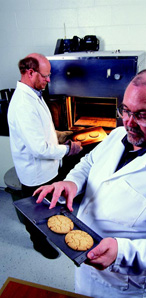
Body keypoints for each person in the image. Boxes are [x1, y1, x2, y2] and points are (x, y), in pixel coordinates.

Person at [34, 69, 146, 298]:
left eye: (143, 115)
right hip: (87, 270)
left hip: (124, 286)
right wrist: (72, 182)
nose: (129, 122)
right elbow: (90, 162)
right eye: (126, 110)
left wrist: (122, 253)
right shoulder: (117, 135)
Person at [8, 53, 83, 259]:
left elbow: (40, 133)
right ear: (30, 72)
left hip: (50, 169)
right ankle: (39, 243)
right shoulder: (23, 105)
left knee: (51, 207)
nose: (49, 80)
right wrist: (69, 149)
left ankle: (53, 232)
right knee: (36, 214)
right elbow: (39, 149)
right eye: (45, 75)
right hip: (36, 174)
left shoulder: (34, 95)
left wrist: (58, 136)